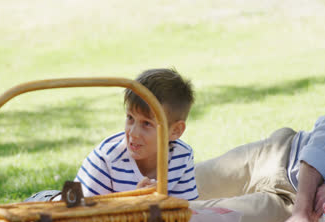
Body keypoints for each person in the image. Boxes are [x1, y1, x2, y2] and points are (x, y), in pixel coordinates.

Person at [191, 52, 325, 222]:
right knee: (167, 184)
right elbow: (324, 140)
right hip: (279, 155)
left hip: (295, 209)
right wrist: (301, 210)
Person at [27, 68, 198, 202]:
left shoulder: (181, 157)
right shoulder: (108, 158)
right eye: (130, 118)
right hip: (56, 207)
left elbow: (186, 215)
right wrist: (132, 204)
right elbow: (82, 217)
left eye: (147, 124)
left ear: (175, 131)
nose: (133, 132)